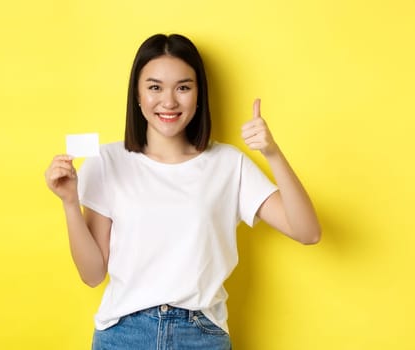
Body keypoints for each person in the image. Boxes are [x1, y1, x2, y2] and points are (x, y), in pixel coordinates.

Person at [43, 34, 321, 350]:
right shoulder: (108, 161)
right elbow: (92, 274)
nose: (169, 101)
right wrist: (69, 203)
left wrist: (272, 152)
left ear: (199, 94)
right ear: (137, 93)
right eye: (155, 87)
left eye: (183, 87)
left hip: (201, 335)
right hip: (123, 335)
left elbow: (307, 231)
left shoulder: (228, 164)